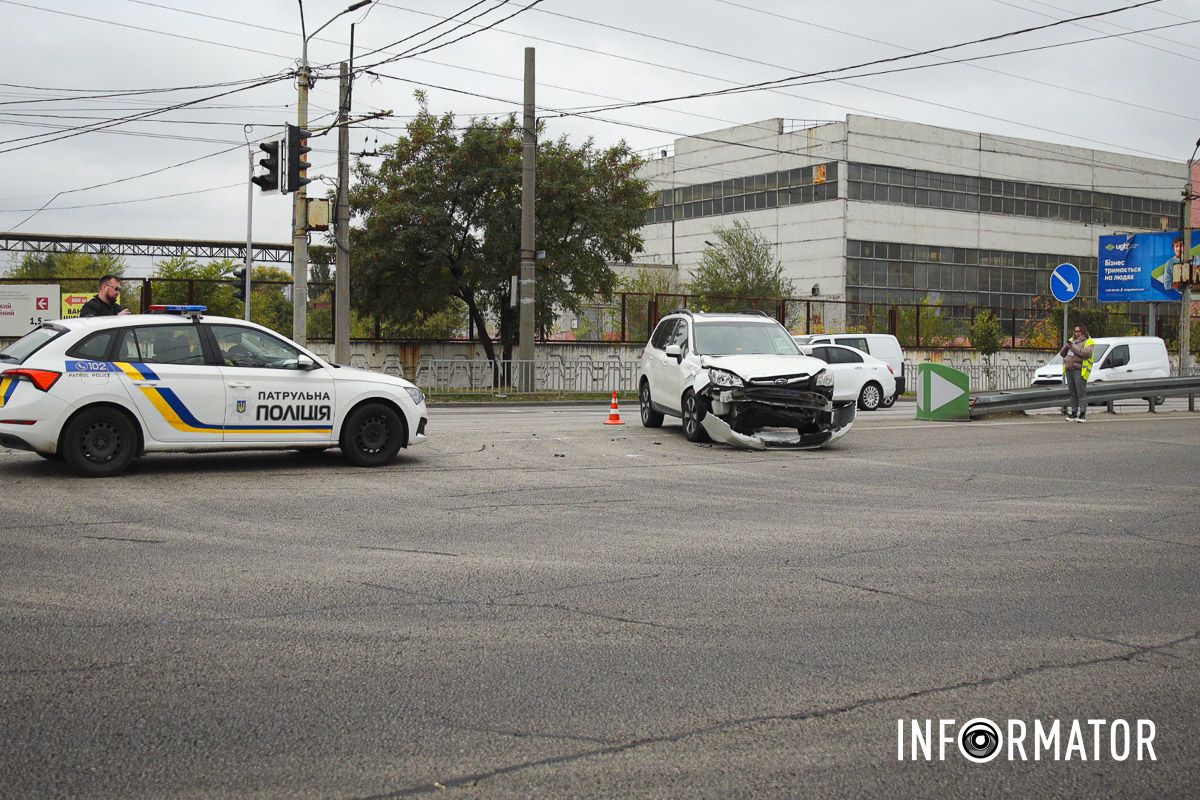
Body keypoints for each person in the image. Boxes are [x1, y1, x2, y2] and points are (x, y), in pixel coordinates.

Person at [1060, 323, 1095, 422]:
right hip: (1069, 369)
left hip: (1080, 370)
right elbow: (1062, 354)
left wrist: (1073, 347)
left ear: (1083, 331)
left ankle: (1082, 414)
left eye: (1079, 331)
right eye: (1075, 331)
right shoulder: (1072, 340)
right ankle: (1074, 413)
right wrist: (1067, 346)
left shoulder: (1089, 341)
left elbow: (1086, 354)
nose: (1077, 333)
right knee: (1073, 393)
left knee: (1081, 393)